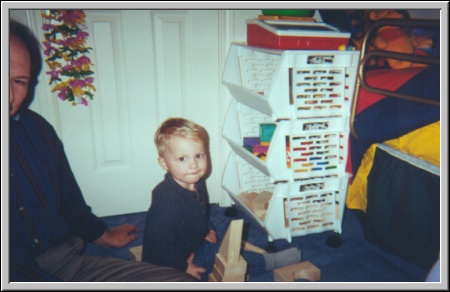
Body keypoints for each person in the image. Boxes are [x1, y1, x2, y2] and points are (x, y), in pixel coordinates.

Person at [9, 19, 196, 282]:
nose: (8, 96)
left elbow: (68, 197)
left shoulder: (37, 130)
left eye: (18, 81)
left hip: (61, 260)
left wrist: (102, 235)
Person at [142, 117, 302, 281]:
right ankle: (267, 261)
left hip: (189, 245)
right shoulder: (166, 199)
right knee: (224, 258)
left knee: (217, 243)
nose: (194, 165)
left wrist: (204, 229)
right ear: (164, 163)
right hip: (166, 265)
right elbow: (159, 245)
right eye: (182, 158)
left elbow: (198, 212)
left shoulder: (196, 180)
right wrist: (183, 267)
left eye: (199, 155)